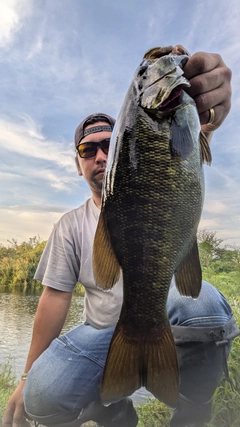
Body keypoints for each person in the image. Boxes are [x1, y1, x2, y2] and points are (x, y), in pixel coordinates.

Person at [2, 50, 239, 427]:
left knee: (203, 306)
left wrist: (208, 106)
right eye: (87, 149)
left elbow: (195, 133)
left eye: (108, 144)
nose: (99, 155)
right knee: (41, 393)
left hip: (167, 315)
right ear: (78, 163)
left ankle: (193, 407)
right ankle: (112, 409)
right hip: (103, 334)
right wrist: (26, 376)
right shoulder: (69, 225)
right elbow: (54, 298)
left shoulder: (174, 129)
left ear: (124, 147)